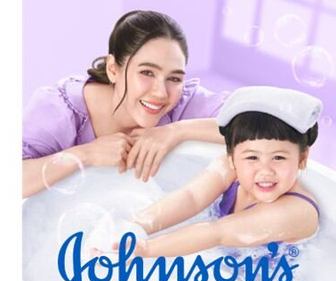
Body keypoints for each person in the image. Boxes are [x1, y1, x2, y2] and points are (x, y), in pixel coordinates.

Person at [22, 9, 225, 197]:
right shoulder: (60, 110)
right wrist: (86, 154)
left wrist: (176, 131)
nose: (161, 92)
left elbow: (245, 117)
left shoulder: (182, 103)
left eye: (174, 78)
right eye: (147, 72)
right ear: (113, 69)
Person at [127, 86, 321, 257]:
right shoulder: (231, 169)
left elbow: (216, 233)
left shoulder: (297, 212)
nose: (265, 171)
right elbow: (191, 197)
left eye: (278, 158)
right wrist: (138, 225)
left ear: (302, 159)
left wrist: (145, 249)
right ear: (231, 158)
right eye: (252, 157)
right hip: (225, 261)